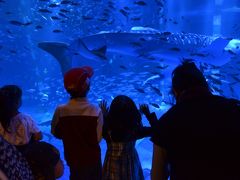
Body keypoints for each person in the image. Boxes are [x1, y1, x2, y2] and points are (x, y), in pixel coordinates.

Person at [151, 60, 240, 180]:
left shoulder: (166, 122)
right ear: (206, 85)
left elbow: (157, 176)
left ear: (175, 91)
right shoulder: (234, 110)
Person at [51, 66, 103, 180]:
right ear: (87, 86)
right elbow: (98, 139)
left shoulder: (60, 110)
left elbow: (55, 133)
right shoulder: (95, 110)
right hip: (92, 160)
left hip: (73, 158)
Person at [99, 95, 154, 180]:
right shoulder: (135, 131)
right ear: (133, 114)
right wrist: (147, 114)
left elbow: (110, 123)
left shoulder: (107, 129)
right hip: (130, 166)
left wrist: (105, 115)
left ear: (112, 113)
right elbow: (157, 131)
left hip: (111, 166)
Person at [0, 85, 42, 151]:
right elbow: (39, 136)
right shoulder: (26, 118)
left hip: (6, 153)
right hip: (25, 153)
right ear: (17, 102)